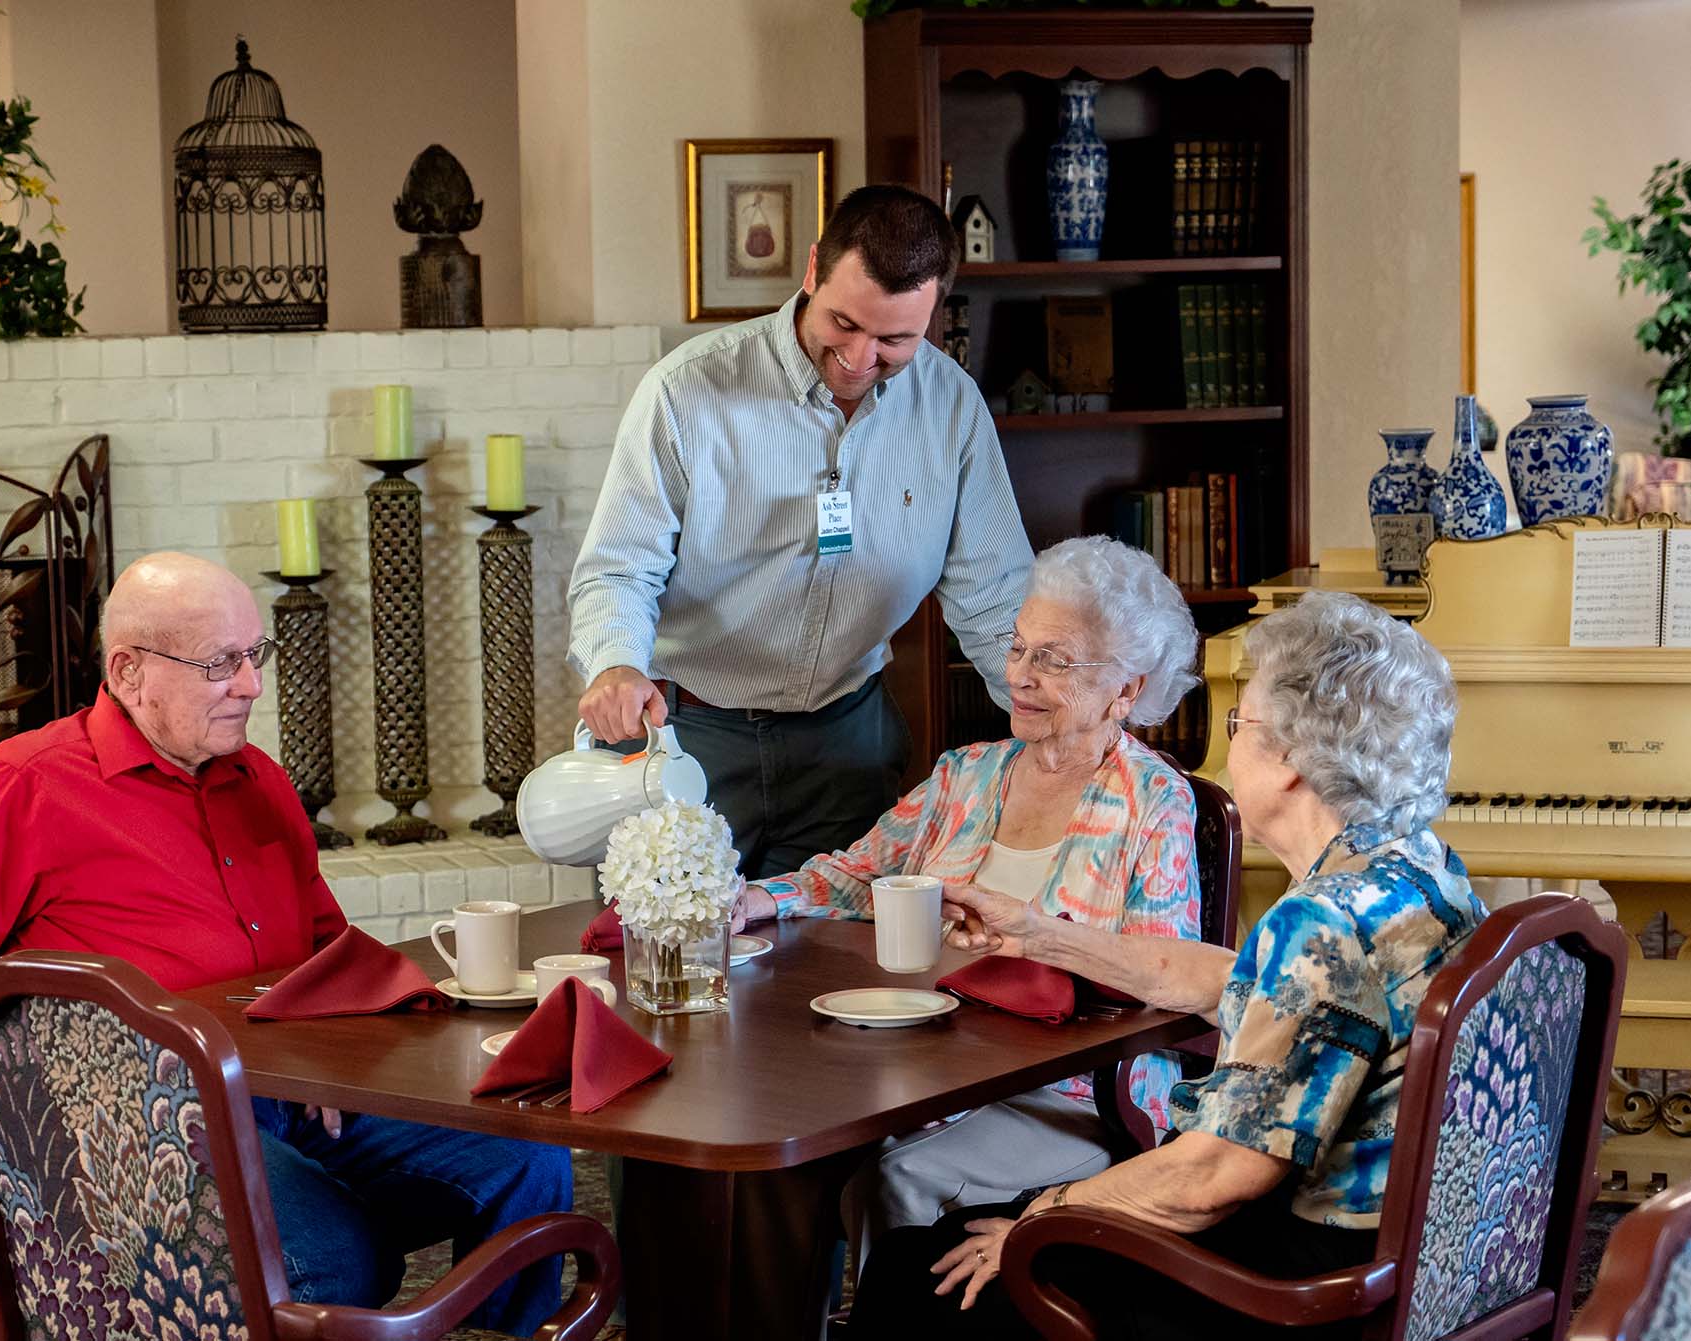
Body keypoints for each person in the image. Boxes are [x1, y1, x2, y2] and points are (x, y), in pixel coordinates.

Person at [0, 552, 573, 1337]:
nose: (251, 685)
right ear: (130, 672)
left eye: (253, 654)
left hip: (292, 1099)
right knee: (328, 1259)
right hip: (148, 1131)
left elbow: (324, 948)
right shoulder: (26, 782)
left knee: (528, 1158)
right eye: (220, 663)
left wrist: (337, 1061)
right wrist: (45, 1053)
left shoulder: (259, 779)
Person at [847, 590, 1487, 1339]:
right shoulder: (1416, 871)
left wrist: (1043, 1213)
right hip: (1406, 1256)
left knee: (916, 1271)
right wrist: (1042, 935)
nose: (1230, 740)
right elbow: (1242, 981)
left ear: (1289, 764)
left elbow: (1211, 1179)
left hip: (1304, 1286)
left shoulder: (1322, 922)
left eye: (1238, 722)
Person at [729, 535, 1203, 1324]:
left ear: (1127, 687)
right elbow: (857, 872)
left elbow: (1160, 978)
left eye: (1054, 659)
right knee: (778, 1154)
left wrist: (1038, 939)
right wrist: (761, 900)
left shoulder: (1155, 803)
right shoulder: (965, 774)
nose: (1019, 673)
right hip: (920, 1069)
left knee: (895, 1177)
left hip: (1072, 1093)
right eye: (1018, 646)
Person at [567, 184, 1032, 878]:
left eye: (894, 339)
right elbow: (619, 569)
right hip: (690, 739)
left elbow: (995, 595)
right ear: (812, 270)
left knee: (831, 977)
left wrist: (1053, 712)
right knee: (670, 970)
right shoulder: (685, 392)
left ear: (933, 318)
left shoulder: (952, 409)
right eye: (843, 322)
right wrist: (615, 664)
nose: (858, 356)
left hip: (849, 746)